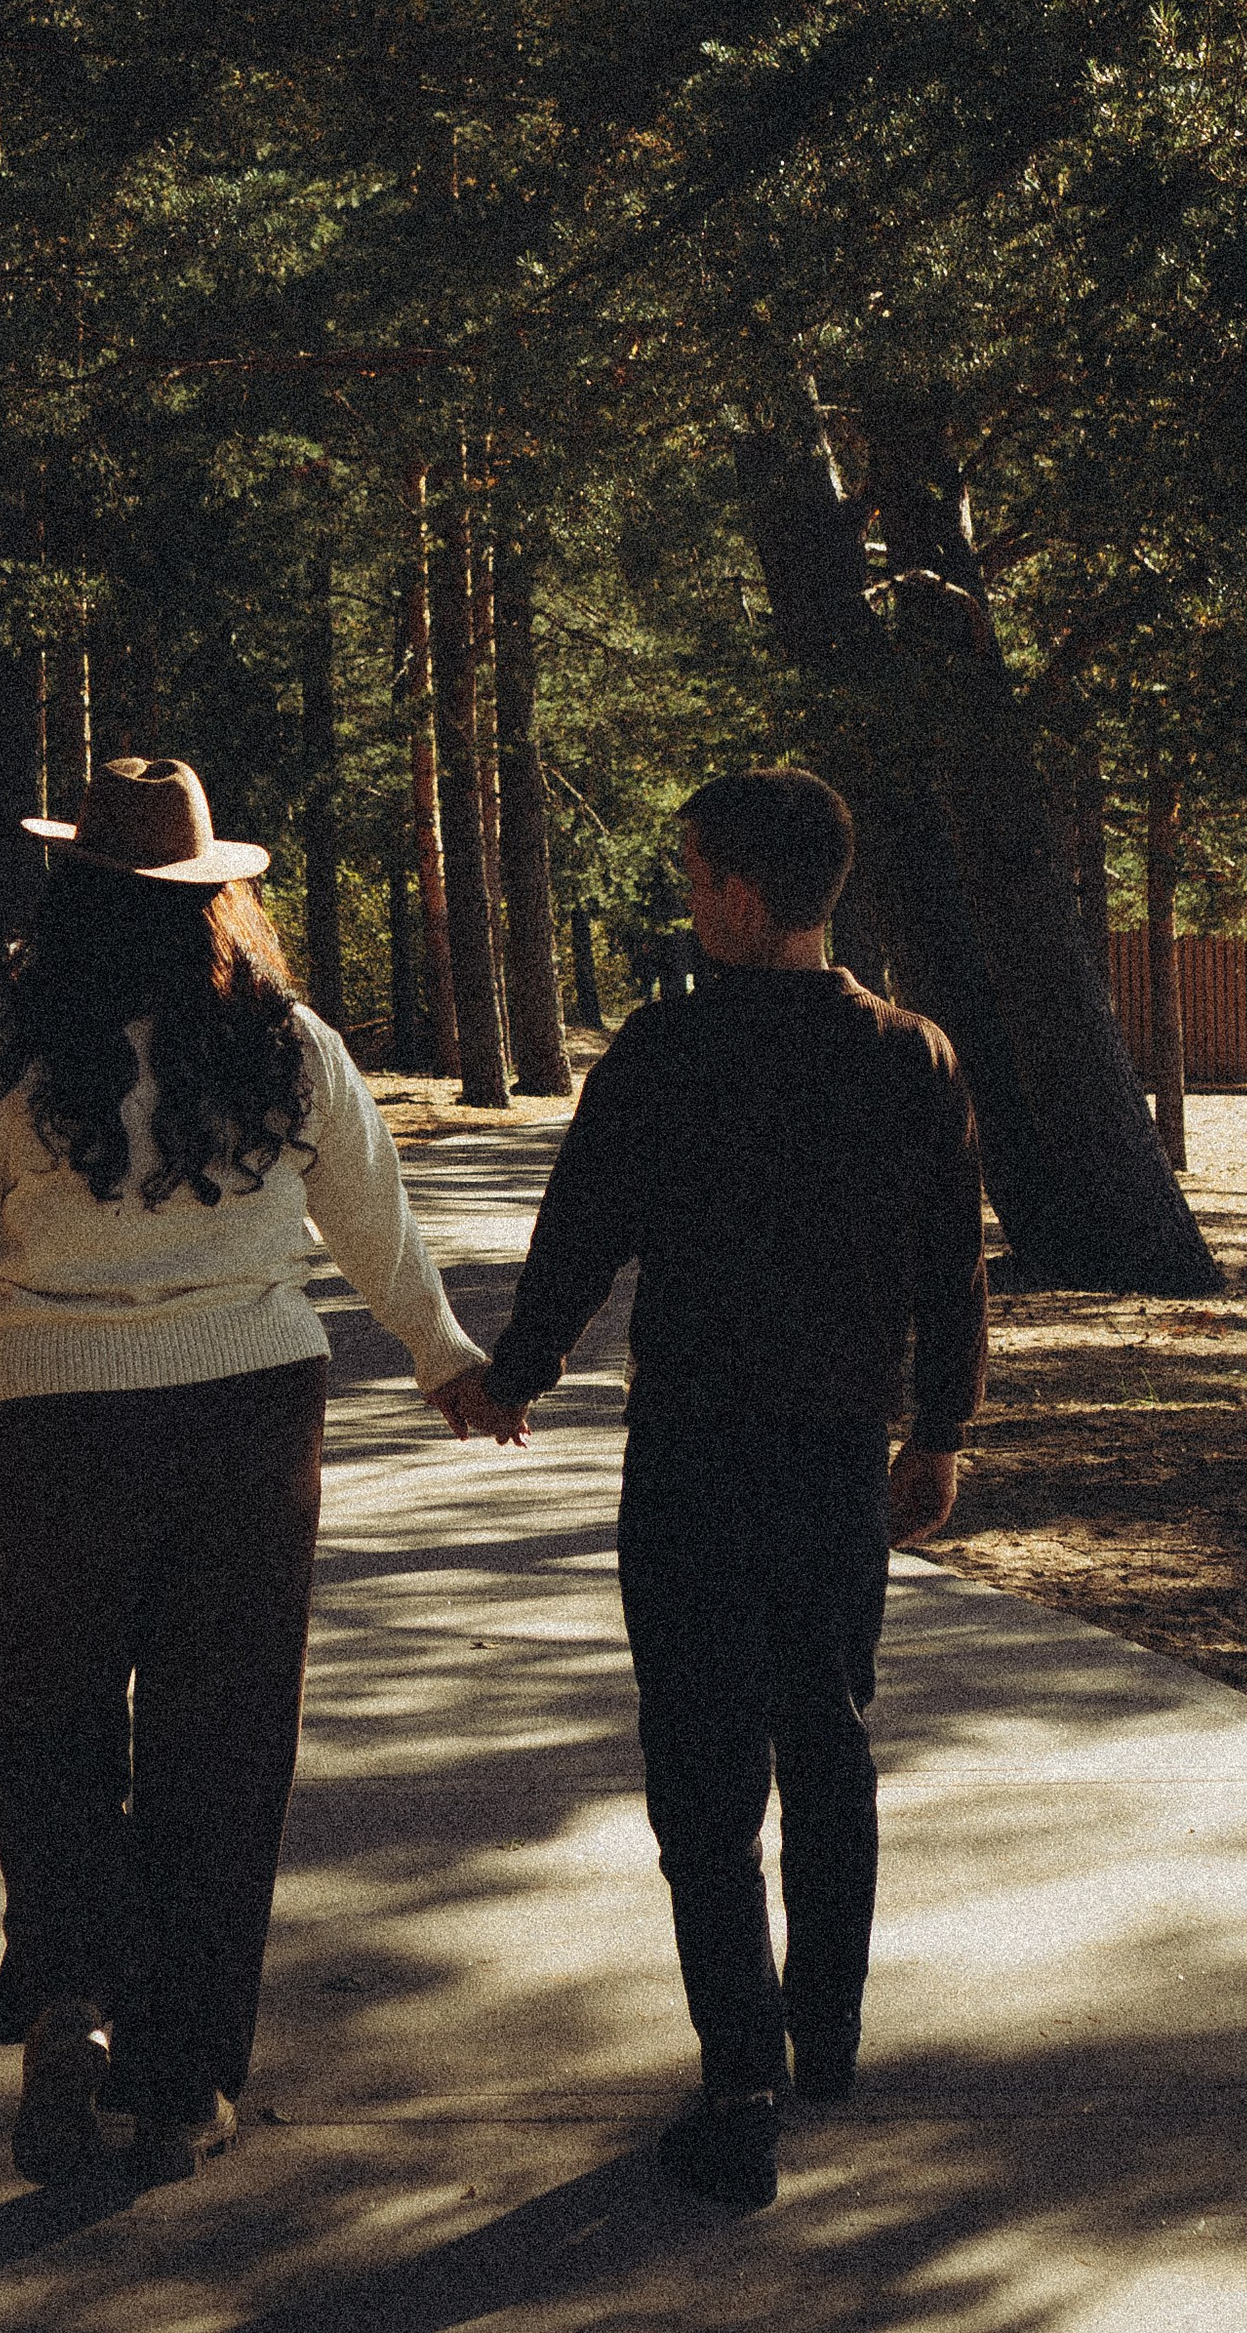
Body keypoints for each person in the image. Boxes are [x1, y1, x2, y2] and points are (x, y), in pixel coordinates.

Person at [0, 755, 490, 2192]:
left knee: (55, 1723)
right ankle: (183, 2081)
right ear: (213, 898)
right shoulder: (284, 1043)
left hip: (57, 1423)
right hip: (249, 1424)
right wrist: (442, 1357)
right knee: (225, 1744)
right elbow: (374, 1217)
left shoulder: (3, 1054)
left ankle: (70, 1993)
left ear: (71, 892)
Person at [444, 765, 987, 2213]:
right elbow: (952, 1266)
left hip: (691, 1455)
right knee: (829, 1732)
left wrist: (514, 1378)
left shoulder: (663, 1055)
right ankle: (831, 2038)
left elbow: (580, 1240)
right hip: (831, 1460)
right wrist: (940, 1431)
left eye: (692, 878)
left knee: (701, 1765)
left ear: (743, 896)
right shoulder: (911, 1056)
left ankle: (738, 2074)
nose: (686, 903)